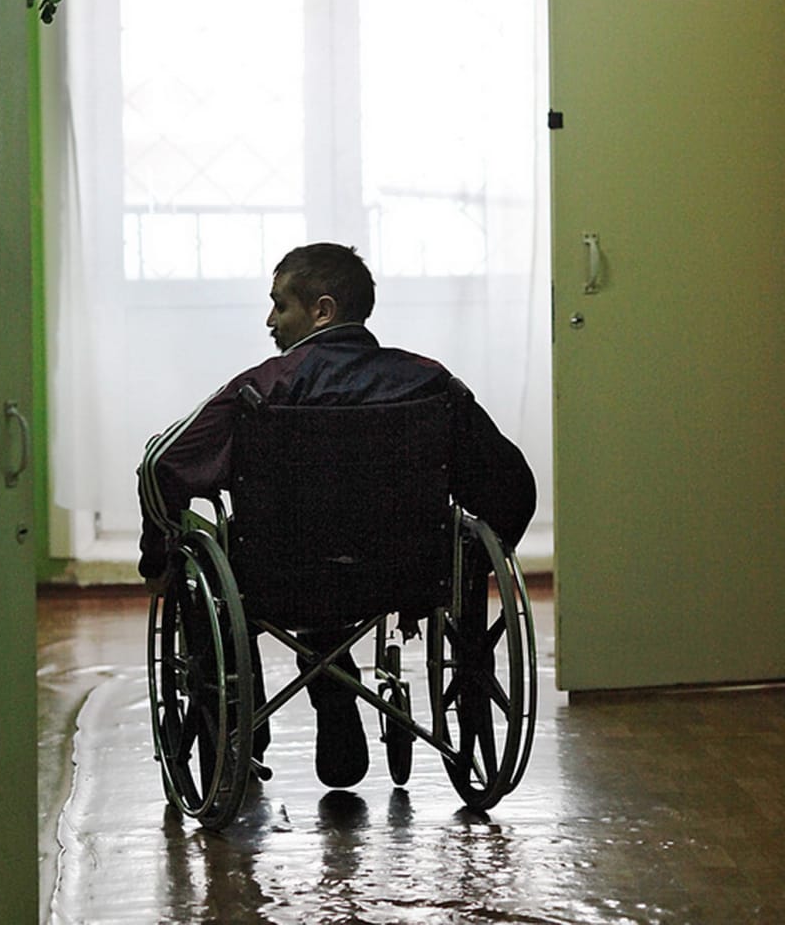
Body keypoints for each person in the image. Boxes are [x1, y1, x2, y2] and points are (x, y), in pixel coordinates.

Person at [137, 242, 536, 788]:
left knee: (219, 560)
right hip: (410, 577)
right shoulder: (429, 383)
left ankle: (246, 729)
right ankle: (332, 677)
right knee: (352, 555)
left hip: (276, 578)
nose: (270, 321)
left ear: (322, 310)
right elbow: (512, 488)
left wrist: (157, 559)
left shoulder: (261, 389)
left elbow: (160, 464)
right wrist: (468, 571)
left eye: (280, 305)